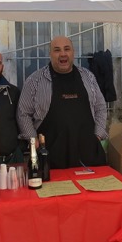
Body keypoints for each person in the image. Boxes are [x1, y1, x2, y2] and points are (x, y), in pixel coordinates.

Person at [17, 36, 108, 169]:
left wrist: (98, 136)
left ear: (73, 52)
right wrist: (34, 141)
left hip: (89, 155)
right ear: (50, 54)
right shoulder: (34, 81)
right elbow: (23, 113)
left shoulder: (88, 77)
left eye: (67, 49)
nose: (63, 54)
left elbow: (100, 107)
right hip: (51, 158)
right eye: (57, 50)